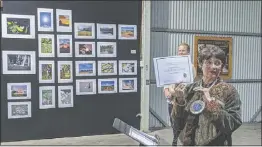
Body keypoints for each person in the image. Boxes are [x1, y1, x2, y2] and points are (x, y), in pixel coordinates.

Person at [170, 45, 242, 146]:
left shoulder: (228, 91)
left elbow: (234, 122)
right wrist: (179, 101)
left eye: (217, 63)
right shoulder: (190, 89)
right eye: (208, 62)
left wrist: (211, 106)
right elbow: (178, 122)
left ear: (221, 66)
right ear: (200, 64)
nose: (213, 67)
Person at [163, 43, 196, 146]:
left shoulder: (191, 67)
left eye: (183, 51)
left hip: (183, 103)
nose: (181, 52)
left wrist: (178, 90)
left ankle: (183, 143)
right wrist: (167, 91)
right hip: (172, 103)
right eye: (179, 51)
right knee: (174, 126)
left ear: (188, 52)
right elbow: (166, 82)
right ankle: (175, 142)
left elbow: (190, 85)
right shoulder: (173, 65)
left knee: (184, 126)